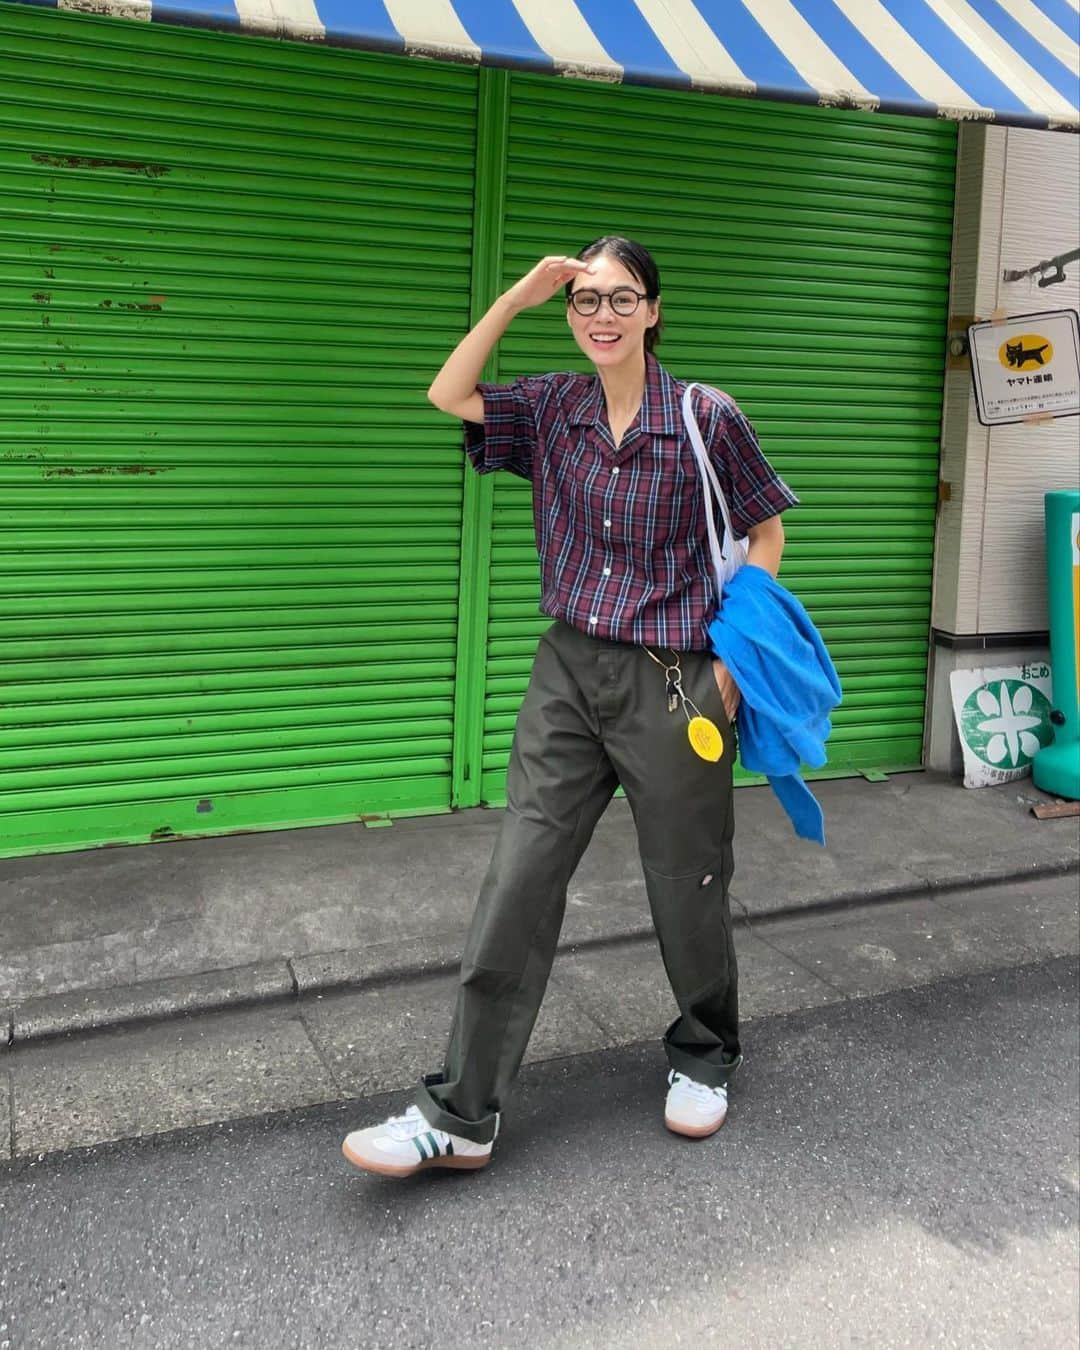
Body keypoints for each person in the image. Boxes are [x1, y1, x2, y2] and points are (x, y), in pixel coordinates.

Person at [342, 237, 798, 1178]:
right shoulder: (552, 406)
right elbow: (450, 394)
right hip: (568, 672)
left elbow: (766, 528)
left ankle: (707, 1052)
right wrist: (515, 298)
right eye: (585, 300)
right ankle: (462, 1112)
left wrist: (736, 662)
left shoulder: (705, 417)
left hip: (676, 678)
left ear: (654, 310)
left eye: (620, 299)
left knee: (688, 880)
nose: (601, 316)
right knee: (519, 875)